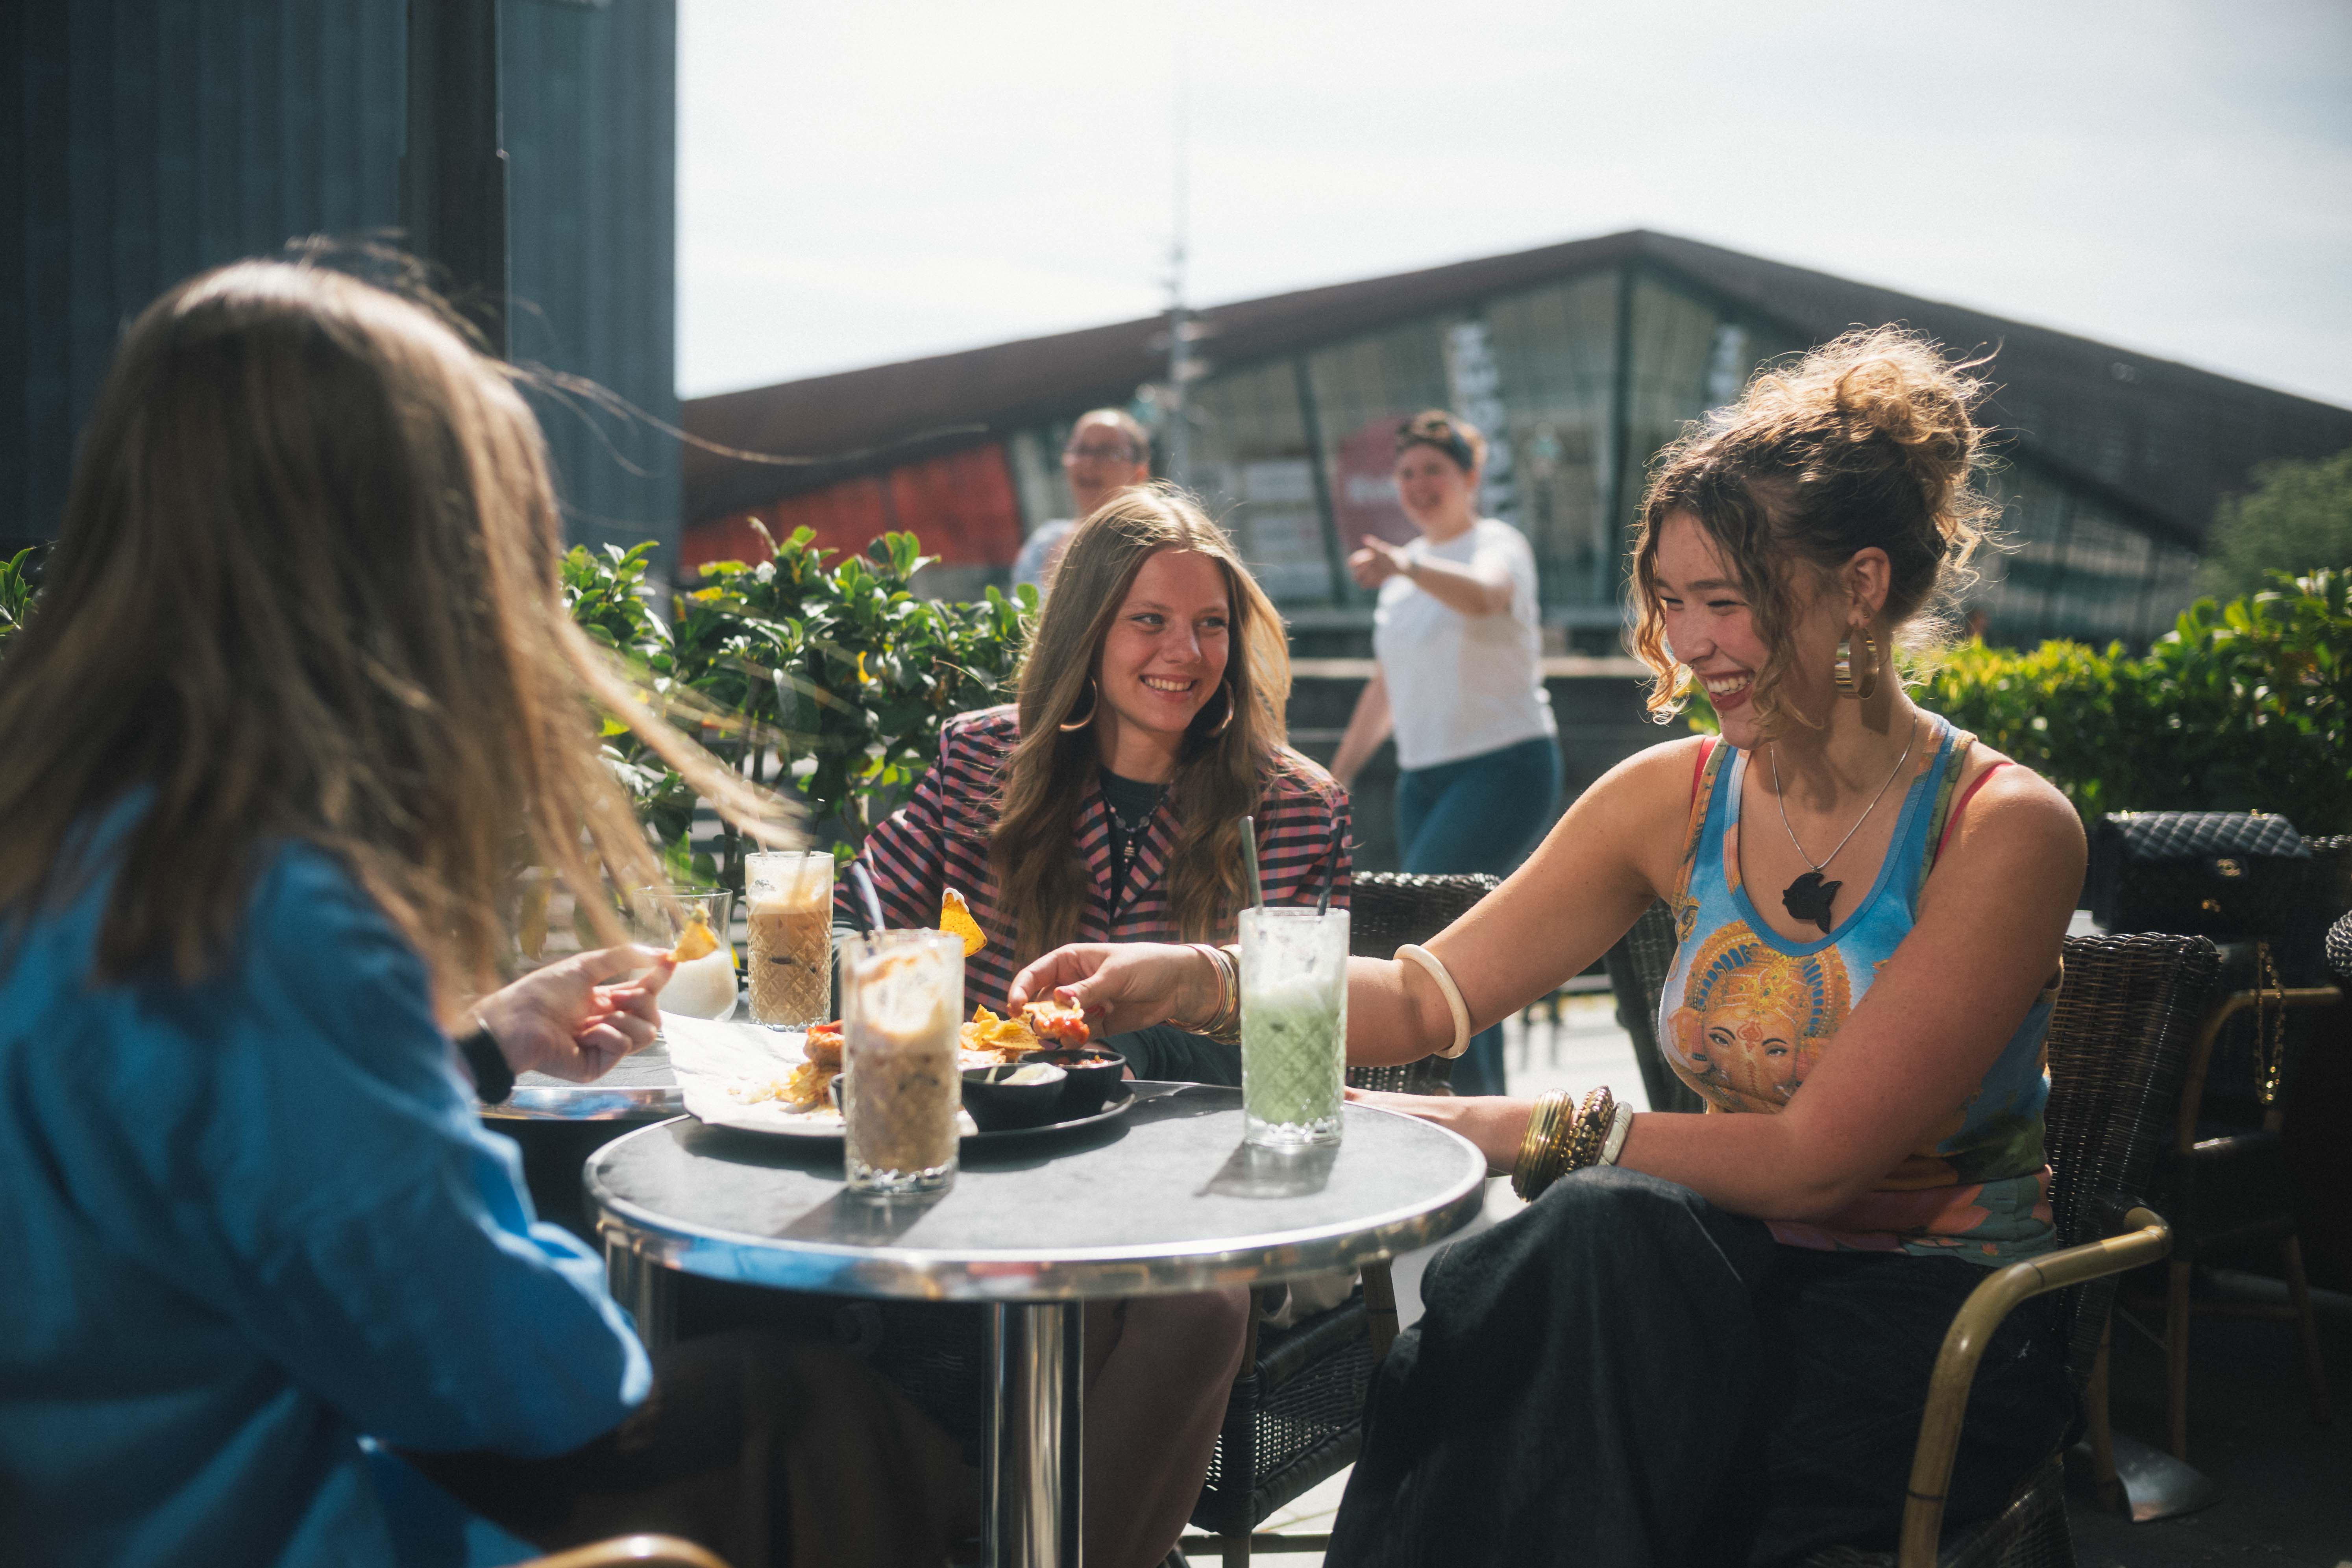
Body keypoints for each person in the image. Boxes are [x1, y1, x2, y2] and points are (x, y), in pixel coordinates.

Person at [1011, 328, 2086, 1565]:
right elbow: (1426, 997)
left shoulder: (2000, 828)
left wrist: (1506, 1128)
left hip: (1935, 1328)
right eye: (1671, 603)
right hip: (1700, 1291)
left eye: (1727, 602)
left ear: (1860, 584)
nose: (1689, 644)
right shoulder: (1674, 795)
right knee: (1576, 1274)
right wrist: (1202, 978)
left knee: (1589, 1248)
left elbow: (1812, 1165)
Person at [0, 256, 967, 1568]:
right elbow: (535, 1376)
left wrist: (484, 1036)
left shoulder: (71, 827)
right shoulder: (245, 899)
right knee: (811, 1411)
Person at [843, 481, 1352, 1568]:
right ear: (1089, 631)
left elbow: (1304, 1036)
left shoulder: (1295, 805)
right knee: (1115, 1299)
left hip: (1194, 1180)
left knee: (1195, 1304)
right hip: (986, 1166)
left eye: (1212, 623)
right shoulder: (986, 758)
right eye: (1151, 621)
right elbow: (863, 919)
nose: (1187, 651)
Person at [1329, 410, 1560, 1096]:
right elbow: (1387, 687)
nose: (1419, 483)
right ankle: (1458, 1097)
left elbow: (1489, 597)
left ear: (1468, 476)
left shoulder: (1495, 542)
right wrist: (1338, 772)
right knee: (1447, 940)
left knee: (1435, 935)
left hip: (1504, 764)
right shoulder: (1403, 585)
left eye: (1434, 468)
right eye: (1406, 473)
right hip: (1421, 779)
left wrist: (1405, 559)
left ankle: (1468, 1104)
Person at [1009, 407, 1154, 598]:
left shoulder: (1153, 546)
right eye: (1080, 450)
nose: (1088, 462)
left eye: (1107, 452)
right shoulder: (1042, 545)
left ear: (1139, 473)